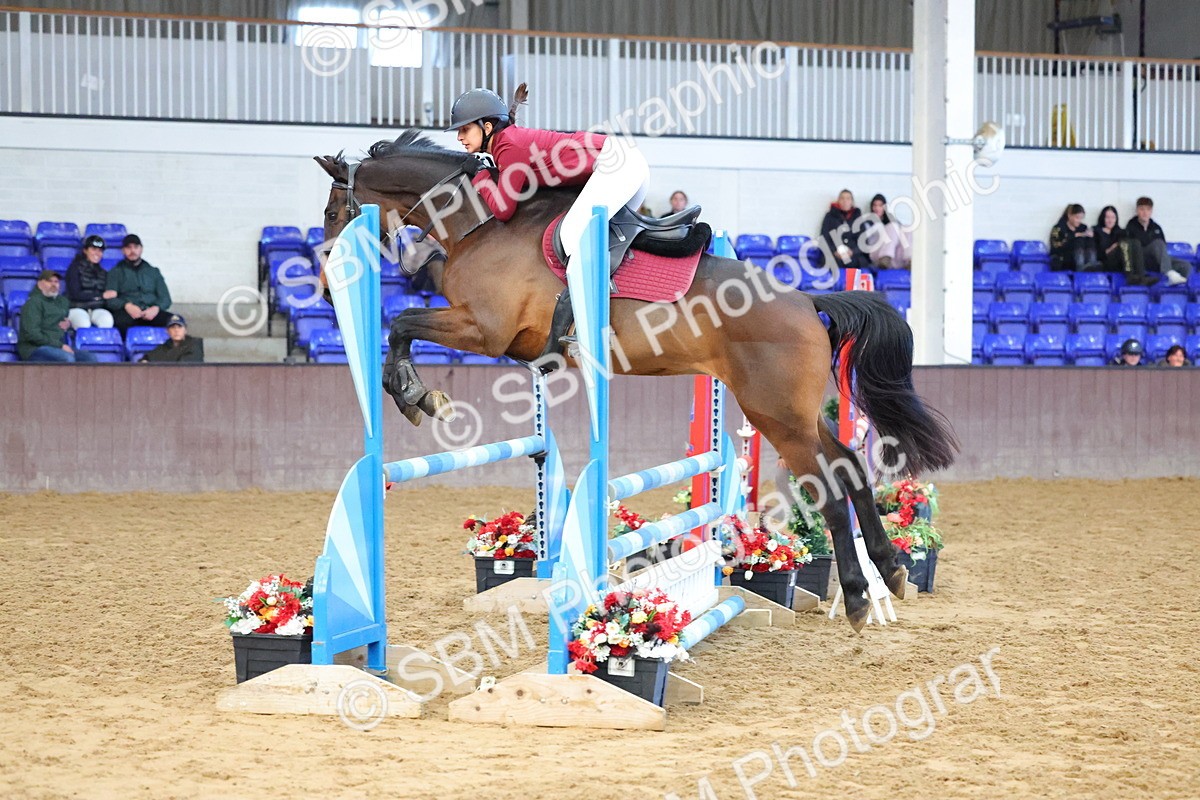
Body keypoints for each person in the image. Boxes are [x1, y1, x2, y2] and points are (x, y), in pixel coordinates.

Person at [449, 84, 650, 358]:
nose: (459, 137)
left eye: (464, 129)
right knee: (606, 246)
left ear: (486, 127)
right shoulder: (507, 143)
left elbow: (504, 210)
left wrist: (481, 176)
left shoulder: (508, 145)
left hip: (618, 166)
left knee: (571, 238)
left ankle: (595, 329)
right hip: (625, 163)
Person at [17, 269, 99, 363]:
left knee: (90, 358)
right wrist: (59, 346)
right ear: (39, 284)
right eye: (49, 281)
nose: (53, 284)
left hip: (57, 346)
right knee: (67, 358)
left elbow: (61, 322)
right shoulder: (33, 303)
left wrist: (68, 324)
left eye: (56, 282)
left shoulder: (62, 301)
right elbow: (32, 334)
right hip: (34, 348)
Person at [105, 233, 173, 333]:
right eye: (128, 248)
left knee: (174, 322)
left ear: (141, 249)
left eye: (136, 247)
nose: (132, 251)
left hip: (151, 312)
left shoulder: (153, 271)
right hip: (127, 313)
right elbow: (110, 300)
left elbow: (166, 298)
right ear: (123, 250)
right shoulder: (115, 272)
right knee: (119, 322)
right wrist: (126, 306)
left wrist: (156, 308)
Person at [1126, 197, 1190, 285]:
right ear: (1137, 211)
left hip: (1158, 261)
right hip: (1142, 260)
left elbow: (1163, 247)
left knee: (1186, 265)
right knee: (1158, 243)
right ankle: (1169, 273)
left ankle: (1180, 287)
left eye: (1148, 209)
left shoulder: (1156, 227)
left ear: (1151, 211)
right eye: (1142, 209)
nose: (1145, 212)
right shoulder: (1131, 226)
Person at [1093, 206, 1155, 286]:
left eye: (1113, 217)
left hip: (1121, 261)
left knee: (1135, 242)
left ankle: (1141, 275)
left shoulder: (1120, 231)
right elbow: (1097, 255)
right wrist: (1112, 248)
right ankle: (1130, 276)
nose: (1110, 220)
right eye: (1107, 217)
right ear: (1103, 218)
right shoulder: (1096, 232)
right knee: (1124, 244)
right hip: (1107, 262)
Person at [65, 234, 117, 329]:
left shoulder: (103, 272)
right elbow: (75, 294)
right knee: (83, 324)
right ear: (85, 250)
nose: (97, 253)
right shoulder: (74, 268)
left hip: (97, 308)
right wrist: (100, 296)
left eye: (100, 251)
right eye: (93, 249)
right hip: (76, 307)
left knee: (107, 320)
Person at [819, 189, 869, 269]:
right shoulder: (830, 216)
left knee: (859, 263)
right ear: (838, 201)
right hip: (835, 255)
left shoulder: (858, 218)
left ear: (852, 202)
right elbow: (824, 238)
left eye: (848, 198)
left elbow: (864, 241)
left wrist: (852, 251)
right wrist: (834, 251)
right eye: (842, 198)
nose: (845, 201)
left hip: (853, 255)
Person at [864, 193, 911, 269]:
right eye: (875, 205)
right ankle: (885, 257)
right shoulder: (867, 222)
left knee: (906, 228)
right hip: (877, 254)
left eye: (880, 206)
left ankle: (909, 260)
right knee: (892, 226)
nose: (877, 208)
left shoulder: (891, 220)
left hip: (893, 258)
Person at [1049, 204, 1100, 272]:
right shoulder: (1059, 228)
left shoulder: (1083, 227)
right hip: (1065, 257)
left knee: (1089, 241)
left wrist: (1091, 235)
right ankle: (1080, 268)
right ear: (1069, 215)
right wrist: (1074, 236)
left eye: (1081, 218)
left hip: (1083, 256)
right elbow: (1056, 247)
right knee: (1078, 241)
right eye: (1077, 217)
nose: (1079, 220)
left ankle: (1092, 265)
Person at [138, 314, 204, 363]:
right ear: (167, 331)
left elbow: (185, 364)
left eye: (179, 327)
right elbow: (147, 358)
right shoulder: (163, 347)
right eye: (172, 327)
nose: (176, 330)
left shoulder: (194, 344)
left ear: (185, 330)